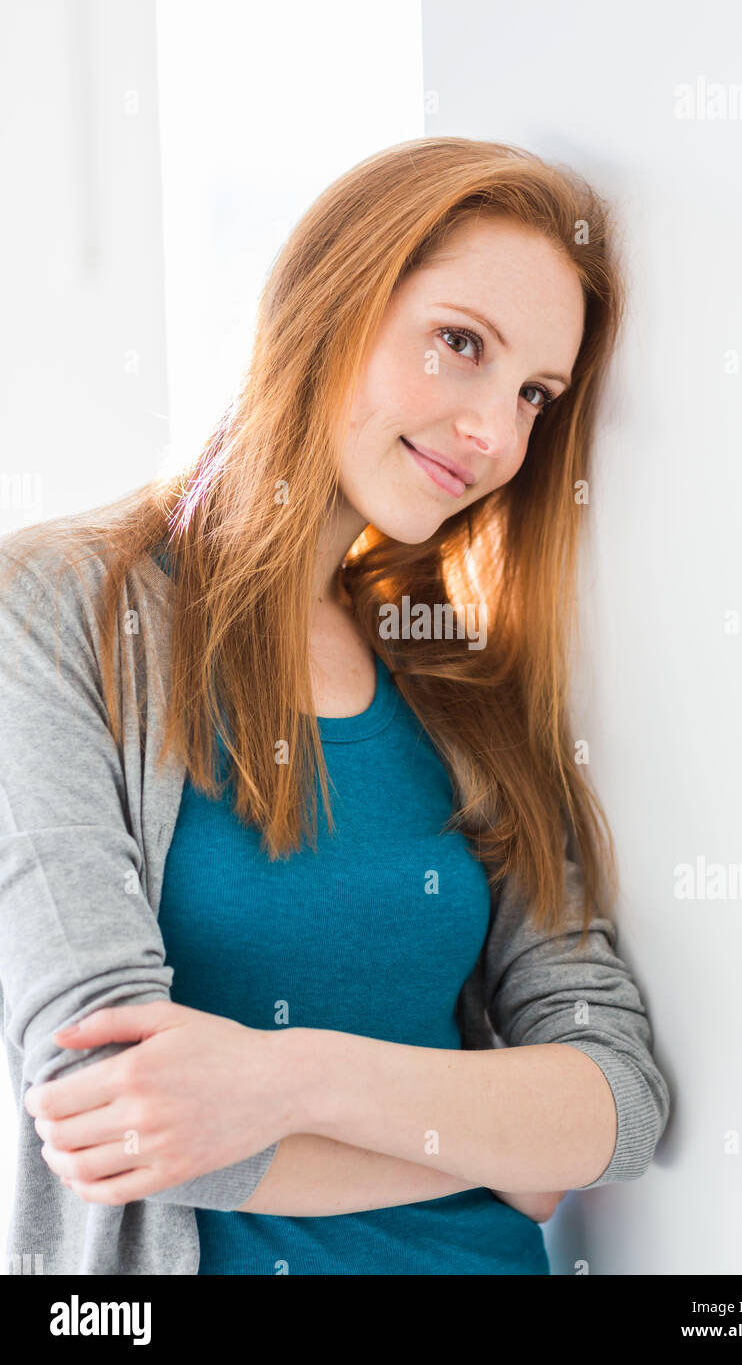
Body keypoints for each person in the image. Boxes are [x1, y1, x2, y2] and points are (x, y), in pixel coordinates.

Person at [0, 136, 670, 1276]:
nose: (495, 435)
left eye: (532, 395)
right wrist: (498, 1138)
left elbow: (616, 1096)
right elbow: (108, 1110)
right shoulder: (56, 610)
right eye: (458, 344)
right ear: (332, 295)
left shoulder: (459, 678)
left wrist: (285, 1077)